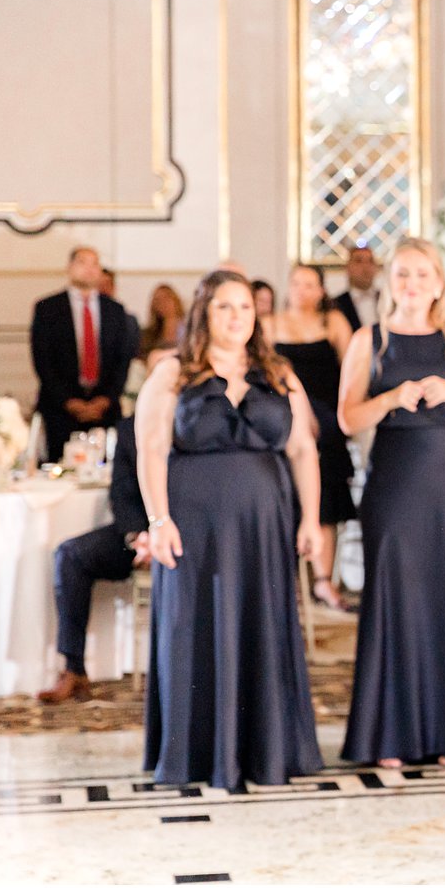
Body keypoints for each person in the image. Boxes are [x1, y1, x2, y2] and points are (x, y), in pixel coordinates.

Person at [135, 270, 324, 788]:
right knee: (194, 624)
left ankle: (265, 748)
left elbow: (303, 449)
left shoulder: (279, 372)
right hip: (194, 526)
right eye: (224, 307)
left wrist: (311, 518)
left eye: (245, 307)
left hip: (265, 527)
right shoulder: (172, 372)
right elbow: (151, 448)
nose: (237, 316)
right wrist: (158, 520)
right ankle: (197, 751)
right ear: (204, 313)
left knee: (261, 622)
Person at [337, 237, 445, 769]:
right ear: (390, 282)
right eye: (402, 274)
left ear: (438, 284)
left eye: (421, 275)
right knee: (394, 597)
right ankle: (389, 736)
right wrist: (390, 398)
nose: (411, 284)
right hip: (394, 481)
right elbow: (347, 418)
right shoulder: (371, 340)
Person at [36, 347, 176, 704]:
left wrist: (164, 531)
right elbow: (123, 493)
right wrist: (138, 536)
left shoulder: (197, 425)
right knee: (70, 555)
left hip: (185, 535)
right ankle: (74, 668)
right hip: (139, 535)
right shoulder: (130, 429)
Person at [268, 264, 357, 611]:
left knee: (326, 502)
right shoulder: (270, 324)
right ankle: (285, 581)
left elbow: (353, 368)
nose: (302, 290)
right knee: (286, 498)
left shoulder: (332, 323)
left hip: (327, 423)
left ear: (321, 290)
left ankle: (323, 581)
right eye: (296, 283)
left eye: (310, 285)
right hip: (285, 421)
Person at [30, 246, 140, 463]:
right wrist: (69, 401)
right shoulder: (48, 308)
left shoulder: (115, 310)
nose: (89, 269)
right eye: (82, 263)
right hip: (61, 409)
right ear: (70, 268)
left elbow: (123, 359)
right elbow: (43, 359)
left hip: (104, 408)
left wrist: (105, 399)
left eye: (94, 264)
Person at [332, 244, 382, 332]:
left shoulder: (387, 299)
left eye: (370, 261)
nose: (365, 267)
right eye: (359, 261)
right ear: (348, 267)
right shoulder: (336, 304)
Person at [140, 284, 186, 359]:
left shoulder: (190, 329)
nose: (163, 303)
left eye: (166, 298)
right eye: (158, 300)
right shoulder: (148, 334)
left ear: (176, 300)